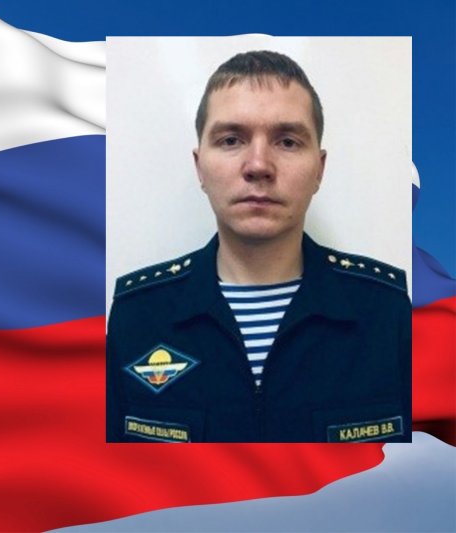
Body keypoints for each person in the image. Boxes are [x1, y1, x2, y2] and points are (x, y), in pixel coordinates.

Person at [106, 50, 411, 443]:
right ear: (200, 167)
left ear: (319, 169)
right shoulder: (137, 316)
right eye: (231, 140)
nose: (258, 165)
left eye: (288, 141)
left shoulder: (390, 314)